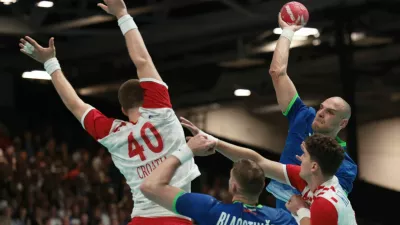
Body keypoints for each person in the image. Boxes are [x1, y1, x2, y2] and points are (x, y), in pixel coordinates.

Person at [19, 0, 201, 224]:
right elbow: (142, 60)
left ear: (123, 110)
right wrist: (122, 13)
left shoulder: (113, 134)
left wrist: (50, 63)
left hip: (140, 220)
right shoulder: (160, 111)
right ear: (148, 96)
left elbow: (75, 104)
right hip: (177, 219)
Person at [180, 121, 357, 225]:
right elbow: (259, 162)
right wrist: (215, 142)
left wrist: (301, 211)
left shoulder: (325, 203)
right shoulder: (312, 179)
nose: (299, 157)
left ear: (314, 167)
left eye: (305, 155)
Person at [264, 13, 358, 209]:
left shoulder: (344, 165)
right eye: (322, 107)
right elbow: (277, 73)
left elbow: (328, 205)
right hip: (280, 219)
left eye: (330, 112)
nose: (321, 112)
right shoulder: (304, 117)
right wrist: (287, 32)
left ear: (342, 123)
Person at [139, 134, 298, 225]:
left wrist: (188, 150)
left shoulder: (210, 210)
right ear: (262, 185)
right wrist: (302, 210)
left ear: (233, 187)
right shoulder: (281, 219)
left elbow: (150, 185)